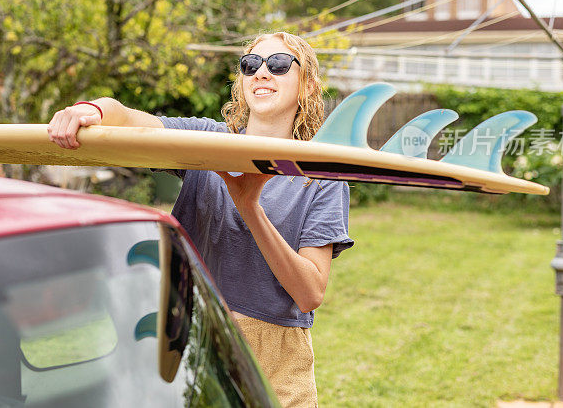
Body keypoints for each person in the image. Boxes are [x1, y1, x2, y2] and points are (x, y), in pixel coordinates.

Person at [47, 31, 353, 407]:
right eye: (251, 65)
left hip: (276, 361)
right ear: (241, 83)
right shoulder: (206, 143)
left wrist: (249, 206)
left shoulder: (321, 178)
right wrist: (91, 110)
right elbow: (128, 120)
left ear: (306, 86)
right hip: (194, 341)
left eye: (278, 65)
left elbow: (310, 294)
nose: (261, 73)